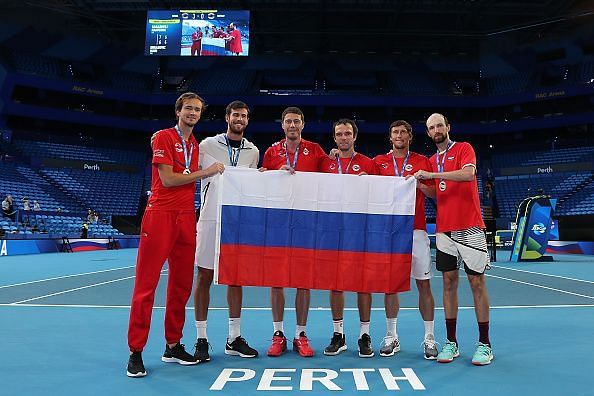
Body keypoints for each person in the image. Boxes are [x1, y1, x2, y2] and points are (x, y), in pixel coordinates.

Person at [126, 92, 225, 378]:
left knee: (181, 286)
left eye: (197, 110)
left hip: (185, 218)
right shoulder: (164, 138)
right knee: (146, 286)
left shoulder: (194, 144)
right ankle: (136, 351)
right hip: (160, 216)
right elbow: (168, 179)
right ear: (178, 111)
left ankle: (172, 344)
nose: (192, 113)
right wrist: (204, 173)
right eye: (188, 109)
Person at [414, 113, 493, 366]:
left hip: (470, 227)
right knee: (448, 283)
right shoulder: (431, 160)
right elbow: (436, 195)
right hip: (444, 230)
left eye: (439, 125)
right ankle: (451, 342)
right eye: (431, 127)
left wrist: (434, 175)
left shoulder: (463, 148)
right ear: (428, 133)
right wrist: (415, 185)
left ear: (448, 127)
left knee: (476, 283)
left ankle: (484, 344)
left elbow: (468, 175)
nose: (436, 130)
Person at [193, 101, 260, 362]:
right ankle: (201, 338)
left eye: (244, 115)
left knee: (235, 277)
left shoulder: (253, 151)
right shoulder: (207, 145)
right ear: (227, 117)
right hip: (209, 218)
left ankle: (234, 337)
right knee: (204, 276)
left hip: (237, 222)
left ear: (247, 120)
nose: (239, 119)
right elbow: (189, 165)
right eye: (235, 115)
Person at [261, 106, 327, 358]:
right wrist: (266, 176)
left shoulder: (316, 150)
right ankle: (278, 334)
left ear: (303, 124)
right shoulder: (270, 152)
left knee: (302, 280)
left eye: (296, 121)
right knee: (276, 280)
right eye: (288, 121)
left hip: (306, 223)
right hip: (278, 223)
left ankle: (300, 334)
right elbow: (262, 182)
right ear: (282, 125)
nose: (292, 125)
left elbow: (331, 176)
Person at [373, 120, 438, 360]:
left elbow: (435, 194)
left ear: (410, 137)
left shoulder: (423, 161)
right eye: (395, 132)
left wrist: (419, 182)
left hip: (417, 230)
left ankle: (429, 338)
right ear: (390, 137)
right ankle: (391, 336)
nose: (399, 135)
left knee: (424, 284)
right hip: (389, 232)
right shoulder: (378, 162)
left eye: (404, 132)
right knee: (390, 285)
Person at [318, 119, 378, 358]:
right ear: (334, 138)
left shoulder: (368, 163)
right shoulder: (325, 162)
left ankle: (364, 335)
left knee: (363, 283)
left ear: (355, 137)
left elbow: (381, 195)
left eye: (347, 134)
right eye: (339, 134)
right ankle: (338, 334)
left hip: (359, 230)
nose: (343, 138)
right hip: (333, 231)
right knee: (336, 284)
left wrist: (369, 182)